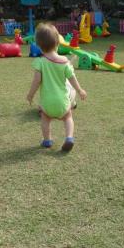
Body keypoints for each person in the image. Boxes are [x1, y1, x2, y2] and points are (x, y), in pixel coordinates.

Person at [26, 23, 87, 152]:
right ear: (58, 43)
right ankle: (69, 137)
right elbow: (72, 78)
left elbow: (36, 81)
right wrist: (80, 90)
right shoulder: (64, 61)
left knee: (45, 119)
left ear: (39, 46)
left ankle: (47, 140)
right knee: (68, 118)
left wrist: (30, 95)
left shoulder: (40, 62)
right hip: (63, 102)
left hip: (46, 104)